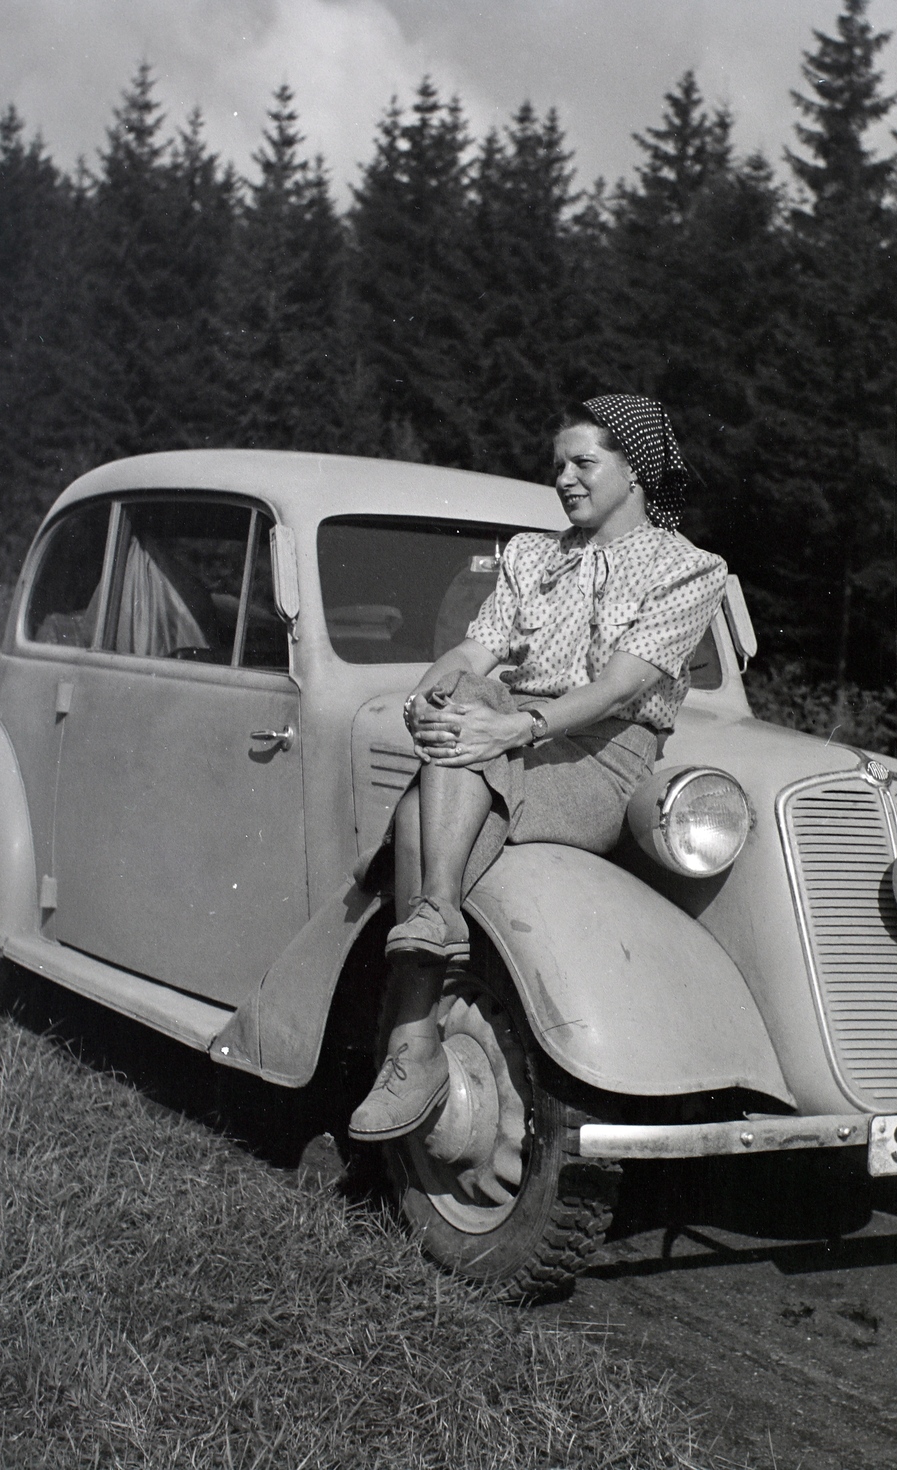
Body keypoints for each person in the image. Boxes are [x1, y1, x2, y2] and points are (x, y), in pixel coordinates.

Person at [347, 394, 728, 1141]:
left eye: (584, 462)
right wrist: (430, 695)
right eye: (558, 465)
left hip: (603, 757)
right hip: (501, 734)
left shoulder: (690, 569)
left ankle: (412, 1037)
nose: (565, 479)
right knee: (467, 698)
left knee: (436, 787)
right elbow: (473, 654)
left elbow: (621, 685)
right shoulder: (531, 555)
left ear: (637, 471)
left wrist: (507, 726)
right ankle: (438, 922)